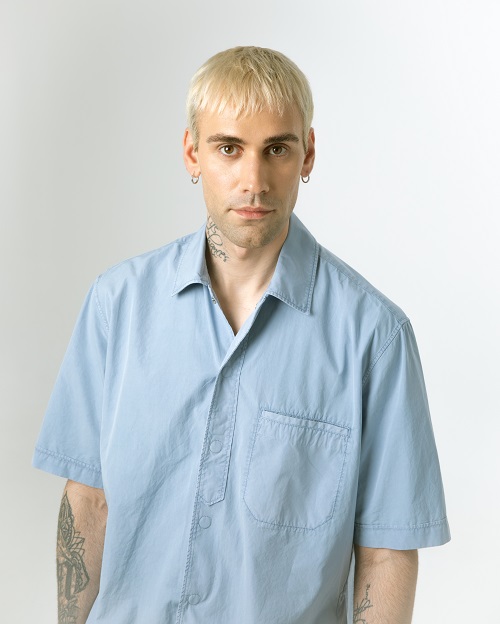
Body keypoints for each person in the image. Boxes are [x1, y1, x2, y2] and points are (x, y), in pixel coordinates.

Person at [33, 46, 450, 624]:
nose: (253, 181)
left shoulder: (375, 338)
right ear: (192, 153)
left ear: (307, 154)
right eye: (228, 148)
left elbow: (386, 551)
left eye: (276, 149)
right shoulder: (115, 305)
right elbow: (88, 502)